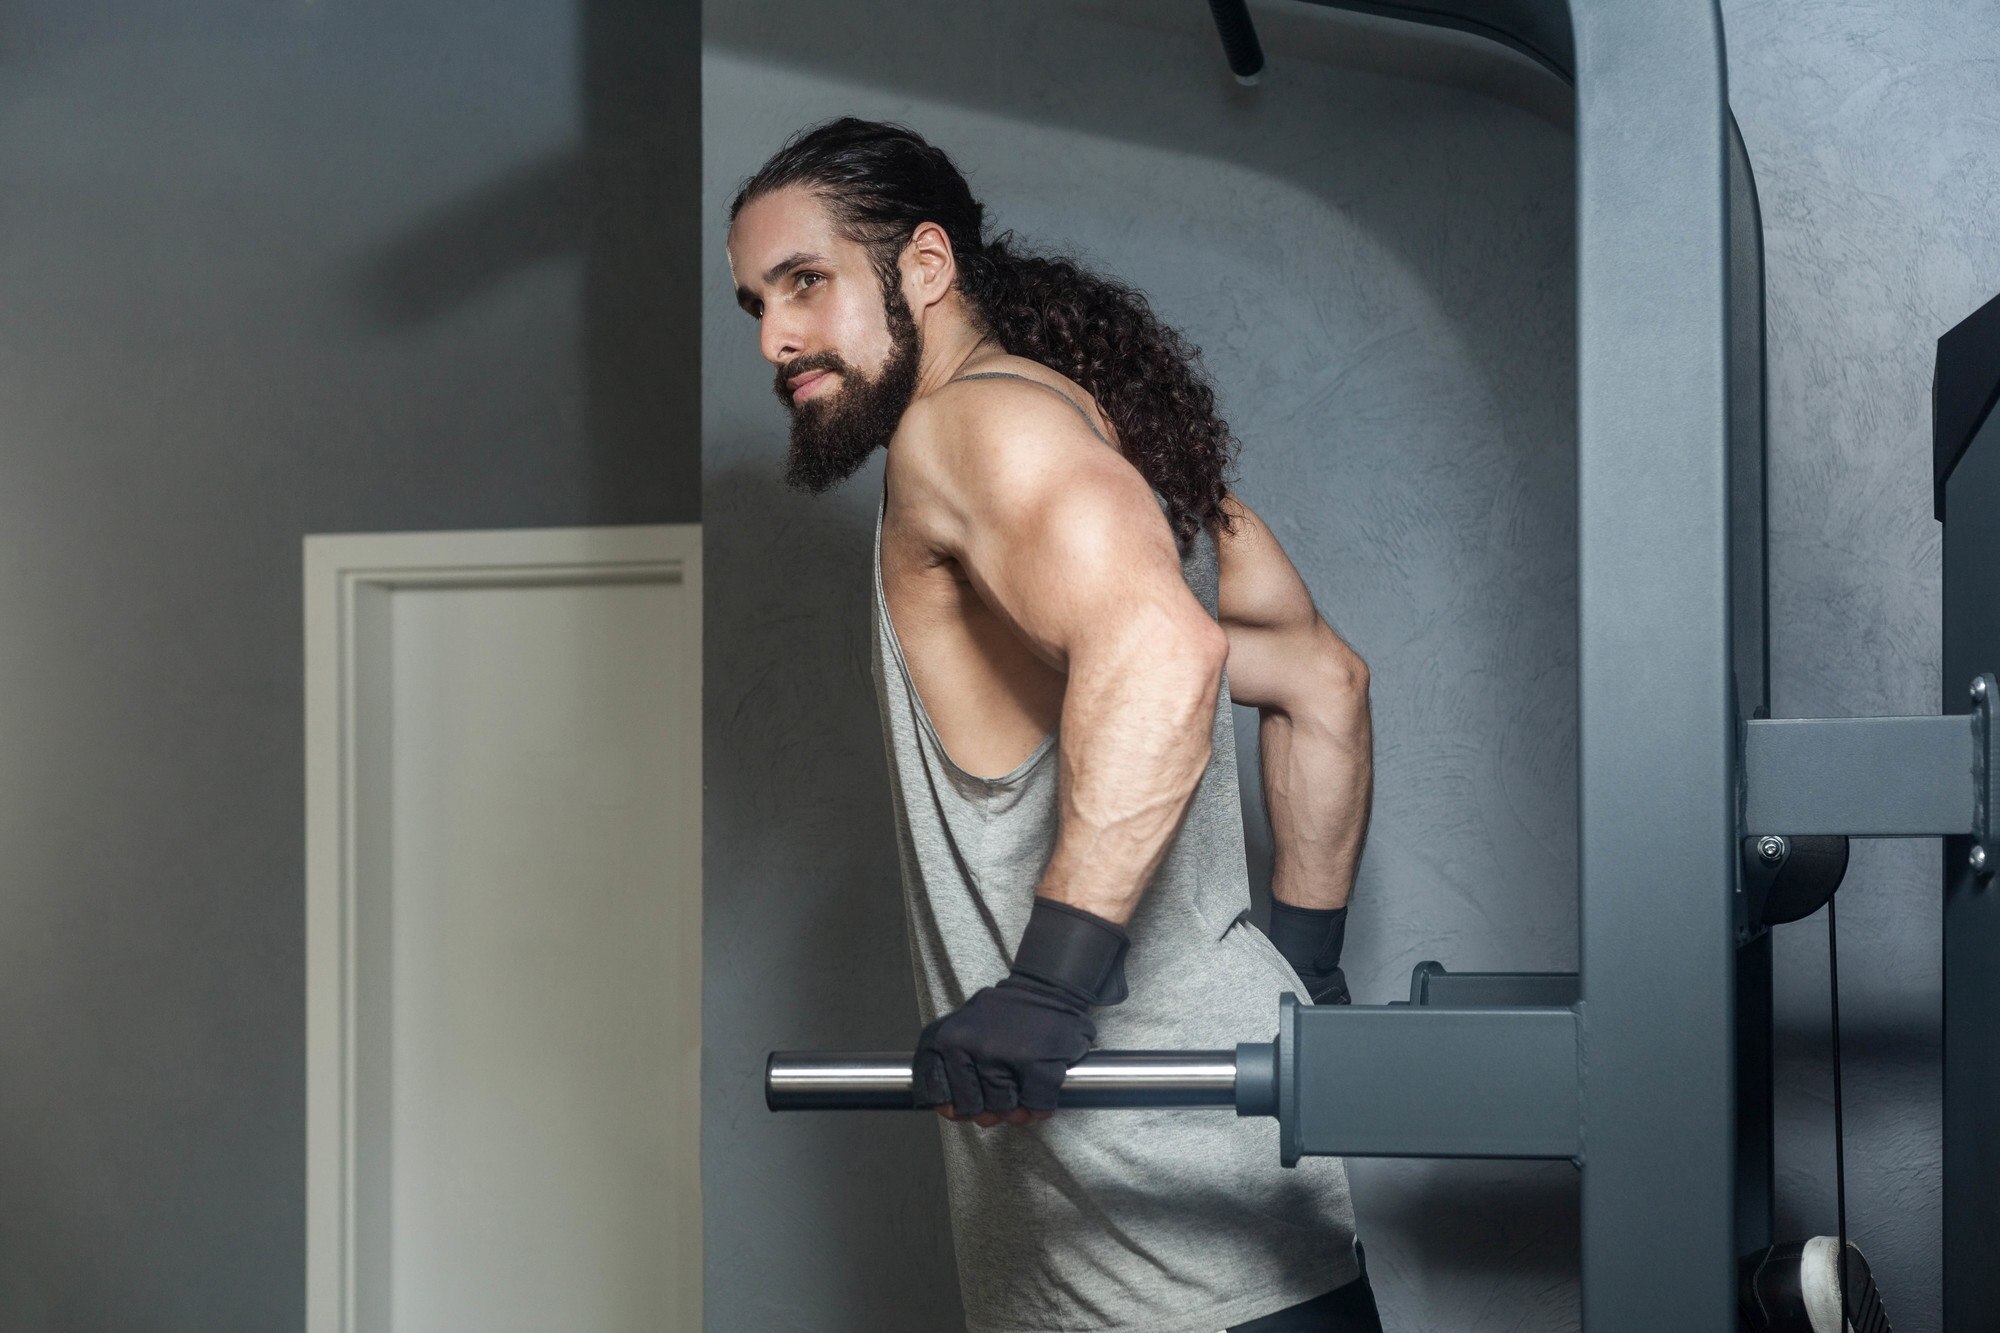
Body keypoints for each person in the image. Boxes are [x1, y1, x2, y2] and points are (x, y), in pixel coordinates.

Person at [727, 116, 1380, 1333]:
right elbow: (1319, 682)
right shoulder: (1123, 447)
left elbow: (1161, 652)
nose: (774, 338)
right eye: (755, 302)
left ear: (924, 265)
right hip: (1259, 1207)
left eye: (805, 282)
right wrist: (1304, 972)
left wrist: (1048, 986)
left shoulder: (964, 428)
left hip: (1128, 1252)